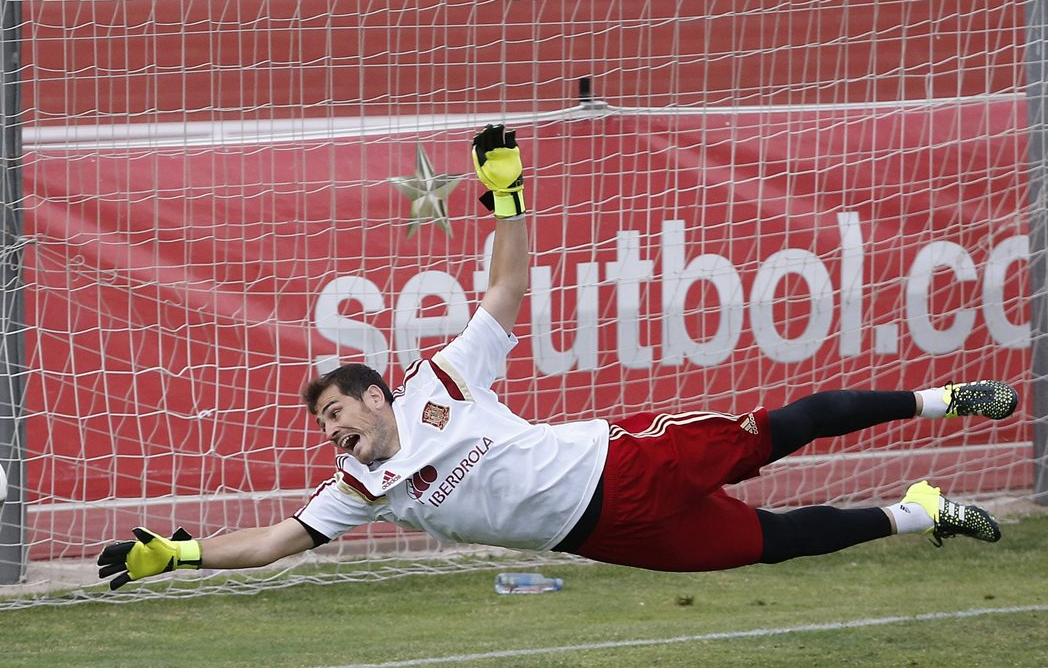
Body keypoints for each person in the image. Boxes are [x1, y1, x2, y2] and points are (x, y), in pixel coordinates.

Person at [97, 124, 1017, 590]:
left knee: (783, 430)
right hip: (602, 535)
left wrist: (507, 198)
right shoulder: (358, 489)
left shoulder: (443, 382)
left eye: (340, 411)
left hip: (623, 460)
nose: (334, 432)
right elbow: (267, 543)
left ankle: (942, 398)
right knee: (772, 543)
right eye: (326, 426)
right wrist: (179, 554)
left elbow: (504, 292)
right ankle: (919, 511)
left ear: (380, 394)